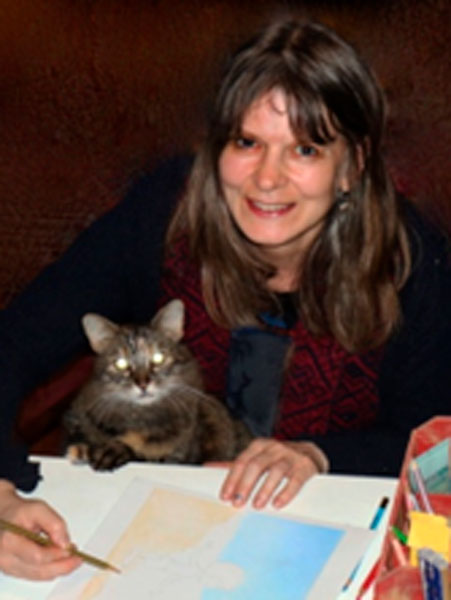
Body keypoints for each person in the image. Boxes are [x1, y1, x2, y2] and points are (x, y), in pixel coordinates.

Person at [0, 19, 450, 579]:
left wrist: (319, 454)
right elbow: (13, 343)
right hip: (163, 529)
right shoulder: (163, 215)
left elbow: (436, 440)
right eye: (247, 143)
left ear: (351, 168)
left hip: (337, 537)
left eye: (305, 149)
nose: (267, 178)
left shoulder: (410, 261)